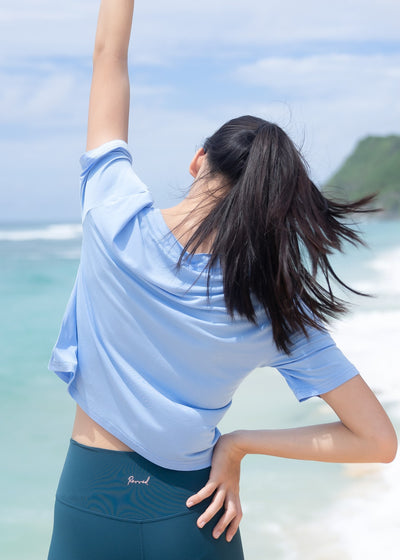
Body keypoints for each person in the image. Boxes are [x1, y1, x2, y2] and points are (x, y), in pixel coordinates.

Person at [47, 2, 397, 559]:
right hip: (198, 515)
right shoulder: (269, 307)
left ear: (198, 161)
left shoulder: (111, 215)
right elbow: (378, 442)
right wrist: (237, 446)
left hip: (88, 507)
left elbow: (108, 57)